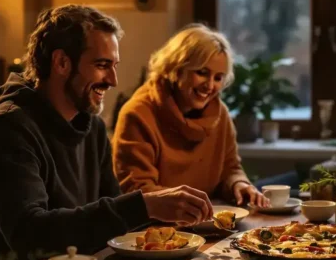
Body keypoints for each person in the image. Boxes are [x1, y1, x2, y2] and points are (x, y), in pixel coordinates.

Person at [0, 5, 213, 260]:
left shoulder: (91, 127)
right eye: (101, 65)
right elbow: (32, 236)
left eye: (114, 65)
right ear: (61, 62)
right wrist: (142, 204)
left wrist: (163, 211)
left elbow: (110, 217)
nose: (113, 79)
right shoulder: (8, 128)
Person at [112, 24, 266, 207]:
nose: (210, 86)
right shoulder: (137, 114)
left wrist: (238, 184)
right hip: (155, 230)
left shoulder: (220, 114)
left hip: (209, 225)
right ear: (176, 68)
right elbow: (136, 191)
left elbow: (230, 168)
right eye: (202, 73)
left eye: (218, 78)